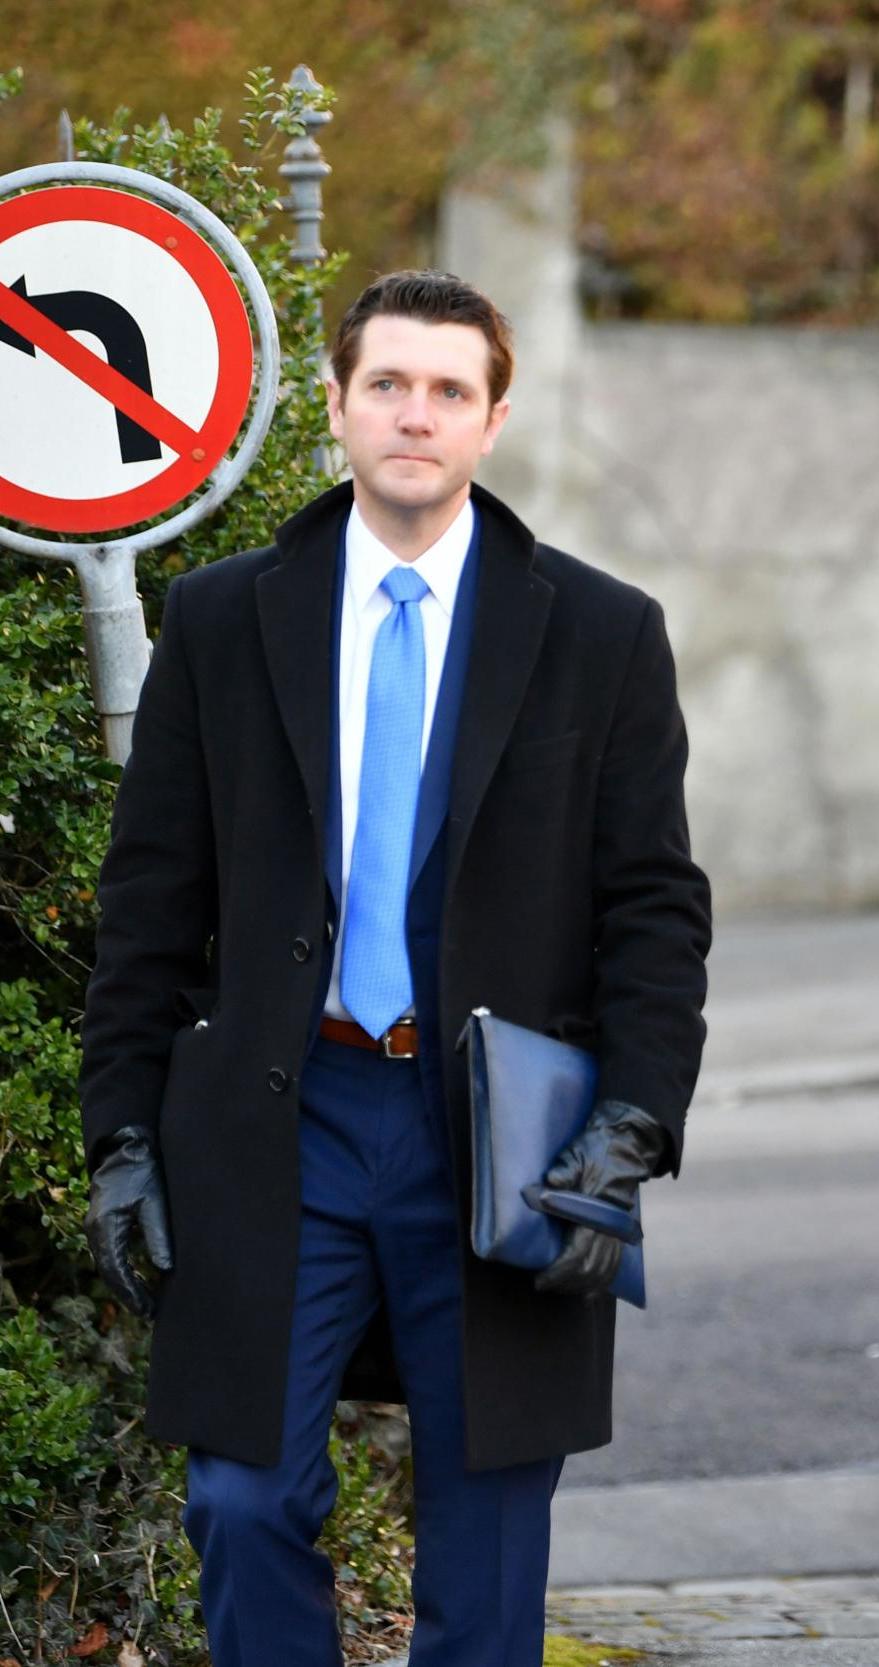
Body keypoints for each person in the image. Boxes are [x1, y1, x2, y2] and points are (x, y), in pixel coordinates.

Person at [79, 270, 713, 1666]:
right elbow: (148, 905)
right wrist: (119, 1133)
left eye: (447, 390)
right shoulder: (226, 618)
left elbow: (655, 909)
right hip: (277, 1119)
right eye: (388, 384)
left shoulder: (603, 633)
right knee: (241, 1499)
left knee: (487, 1538)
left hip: (499, 1134)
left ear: (494, 419)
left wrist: (632, 1125)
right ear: (336, 404)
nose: (414, 415)